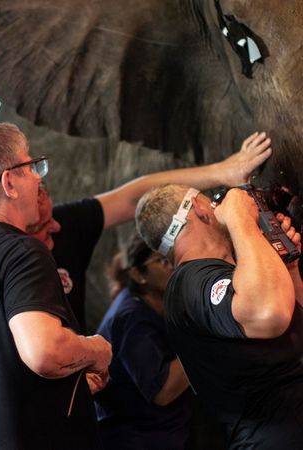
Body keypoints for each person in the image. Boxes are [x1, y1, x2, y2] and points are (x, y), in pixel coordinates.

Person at [0, 122, 112, 450]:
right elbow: (44, 352)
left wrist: (69, 385)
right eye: (31, 165)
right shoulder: (20, 250)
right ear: (9, 182)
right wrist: (96, 350)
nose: (39, 176)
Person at [28, 131, 272, 331]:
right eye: (42, 226)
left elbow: (131, 199)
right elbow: (268, 314)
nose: (57, 226)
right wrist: (242, 222)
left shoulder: (63, 222)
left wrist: (222, 172)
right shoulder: (187, 287)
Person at [135, 183, 303, 449]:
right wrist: (239, 217)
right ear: (201, 210)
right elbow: (269, 314)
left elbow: (291, 324)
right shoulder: (189, 283)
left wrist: (286, 267)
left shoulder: (222, 272)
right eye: (214, 203)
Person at [94, 234, 193, 450]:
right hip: (137, 439)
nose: (173, 266)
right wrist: (202, 342)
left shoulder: (156, 304)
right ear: (139, 274)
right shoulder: (131, 318)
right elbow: (162, 391)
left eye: (174, 257)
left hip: (163, 433)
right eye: (163, 261)